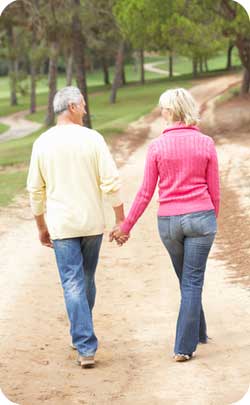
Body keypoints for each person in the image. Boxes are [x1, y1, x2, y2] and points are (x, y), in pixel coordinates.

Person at [110, 88, 220, 362]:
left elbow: (146, 192)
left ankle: (191, 339)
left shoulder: (158, 146)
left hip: (169, 223)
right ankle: (190, 339)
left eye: (163, 108)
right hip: (201, 217)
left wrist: (126, 226)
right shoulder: (205, 143)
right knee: (192, 281)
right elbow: (214, 191)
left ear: (171, 111)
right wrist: (210, 220)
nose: (161, 113)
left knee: (187, 279)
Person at [27, 86, 128, 368]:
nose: (85, 109)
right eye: (82, 104)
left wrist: (41, 226)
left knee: (73, 282)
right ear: (71, 107)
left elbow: (35, 190)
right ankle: (84, 339)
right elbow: (110, 181)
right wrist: (120, 218)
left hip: (62, 226)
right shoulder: (92, 139)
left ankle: (83, 341)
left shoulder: (42, 143)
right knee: (85, 278)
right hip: (91, 222)